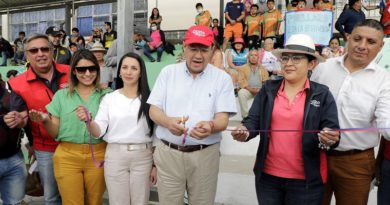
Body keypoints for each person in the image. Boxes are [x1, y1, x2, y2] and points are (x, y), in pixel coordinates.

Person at [232, 33, 340, 205]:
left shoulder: (322, 93)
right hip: (268, 178)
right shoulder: (268, 88)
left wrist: (329, 137)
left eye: (296, 58)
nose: (288, 63)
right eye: (285, 58)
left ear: (312, 63)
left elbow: (331, 130)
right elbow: (253, 121)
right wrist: (245, 132)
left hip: (307, 181)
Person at [147, 25, 236, 205]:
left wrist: (211, 126)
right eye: (193, 49)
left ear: (212, 50)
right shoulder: (168, 73)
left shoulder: (222, 78)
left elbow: (223, 119)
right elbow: (153, 110)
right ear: (184, 47)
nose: (198, 55)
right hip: (169, 154)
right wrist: (167, 122)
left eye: (204, 49)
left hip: (205, 155)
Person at [310, 19, 390, 205]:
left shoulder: (385, 80)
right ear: (348, 39)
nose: (362, 46)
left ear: (381, 46)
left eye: (371, 42)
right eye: (357, 39)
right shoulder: (323, 69)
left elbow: (386, 122)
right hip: (315, 155)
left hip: (356, 163)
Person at [28, 49, 110, 205]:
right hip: (67, 155)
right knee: (71, 202)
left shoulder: (107, 95)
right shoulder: (62, 95)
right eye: (81, 69)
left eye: (92, 68)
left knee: (95, 201)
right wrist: (45, 120)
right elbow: (55, 133)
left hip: (99, 154)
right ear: (73, 71)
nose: (87, 73)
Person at [75, 52, 156, 205]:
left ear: (141, 73)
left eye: (134, 68)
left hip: (143, 156)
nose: (128, 72)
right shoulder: (109, 98)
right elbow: (98, 129)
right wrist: (89, 121)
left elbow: (157, 133)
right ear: (119, 71)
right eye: (124, 67)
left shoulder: (151, 99)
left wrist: (155, 165)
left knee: (141, 202)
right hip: (115, 156)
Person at [4, 33, 70, 205]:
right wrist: (19, 120)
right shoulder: (17, 83)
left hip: (76, 145)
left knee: (77, 193)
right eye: (34, 50)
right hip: (45, 148)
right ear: (27, 55)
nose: (40, 53)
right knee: (52, 197)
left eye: (44, 49)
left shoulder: (72, 72)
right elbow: (22, 116)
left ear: (52, 51)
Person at [0, 78, 27, 205]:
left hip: (14, 159)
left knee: (14, 203)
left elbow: (25, 120)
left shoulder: (12, 95)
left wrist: (20, 121)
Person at [237, 49, 269, 118]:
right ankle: (246, 117)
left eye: (255, 55)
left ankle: (263, 117)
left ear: (258, 57)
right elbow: (241, 81)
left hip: (260, 90)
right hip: (248, 90)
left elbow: (266, 82)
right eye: (251, 55)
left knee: (269, 93)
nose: (254, 57)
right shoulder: (242, 68)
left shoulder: (263, 68)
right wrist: (251, 90)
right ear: (248, 57)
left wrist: (260, 90)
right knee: (241, 93)